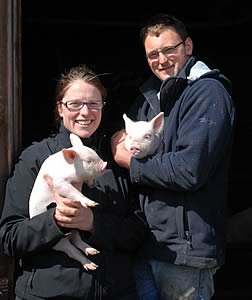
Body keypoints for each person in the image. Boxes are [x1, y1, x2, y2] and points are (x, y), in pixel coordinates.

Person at [111, 13, 235, 300]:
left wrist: (131, 163)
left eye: (169, 49)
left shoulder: (206, 93)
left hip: (186, 253)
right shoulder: (148, 99)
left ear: (188, 46)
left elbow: (188, 169)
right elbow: (128, 139)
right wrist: (117, 140)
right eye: (153, 54)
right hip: (150, 244)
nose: (162, 59)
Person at [0, 64, 147, 300]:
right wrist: (55, 221)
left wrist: (93, 223)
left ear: (102, 107)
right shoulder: (36, 158)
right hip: (51, 294)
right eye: (74, 104)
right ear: (60, 108)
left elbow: (139, 231)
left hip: (116, 292)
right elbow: (10, 237)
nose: (85, 113)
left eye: (93, 104)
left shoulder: (115, 159)